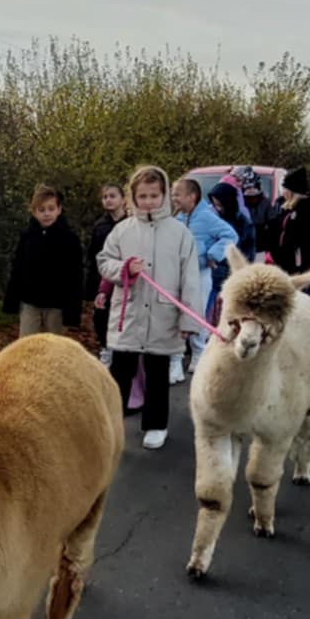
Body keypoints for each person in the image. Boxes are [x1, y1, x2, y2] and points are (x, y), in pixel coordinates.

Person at [97, 165, 204, 450]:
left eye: (154, 196)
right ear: (133, 197)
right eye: (142, 196)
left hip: (164, 314)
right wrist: (123, 269)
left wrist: (188, 321)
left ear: (165, 195)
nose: (148, 201)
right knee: (121, 371)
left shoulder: (180, 234)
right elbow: (104, 261)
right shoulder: (122, 231)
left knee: (158, 373)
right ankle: (112, 423)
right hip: (128, 314)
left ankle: (156, 424)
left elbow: (190, 279)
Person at [171, 175, 237, 380]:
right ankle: (175, 360)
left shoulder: (208, 217)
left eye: (177, 195)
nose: (174, 199)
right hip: (178, 274)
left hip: (200, 273)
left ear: (192, 197)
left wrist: (213, 253)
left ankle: (199, 352)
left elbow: (230, 235)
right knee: (175, 314)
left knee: (196, 314)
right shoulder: (177, 219)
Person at [3, 184, 84, 336]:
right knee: (26, 346)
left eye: (51, 209)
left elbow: (76, 275)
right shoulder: (27, 236)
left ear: (59, 209)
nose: (47, 213)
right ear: (34, 212)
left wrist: (73, 312)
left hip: (57, 305)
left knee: (54, 350)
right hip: (30, 302)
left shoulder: (70, 239)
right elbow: (18, 268)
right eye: (41, 209)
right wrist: (12, 301)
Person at [264, 168, 310, 292]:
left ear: (293, 191)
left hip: (299, 265)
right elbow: (278, 231)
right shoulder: (286, 208)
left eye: (285, 188)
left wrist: (293, 256)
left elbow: (303, 238)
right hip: (284, 263)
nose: (283, 192)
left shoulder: (307, 210)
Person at [85, 182, 127, 364]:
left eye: (112, 196)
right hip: (103, 278)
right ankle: (106, 348)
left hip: (124, 278)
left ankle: (122, 351)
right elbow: (94, 256)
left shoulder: (130, 223)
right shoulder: (100, 226)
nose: (108, 200)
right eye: (105, 197)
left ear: (123, 199)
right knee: (102, 318)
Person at [210, 178, 256, 262]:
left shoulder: (244, 223)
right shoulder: (212, 219)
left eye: (220, 205)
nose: (218, 208)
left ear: (228, 203)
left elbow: (249, 253)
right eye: (215, 205)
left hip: (234, 268)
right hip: (213, 270)